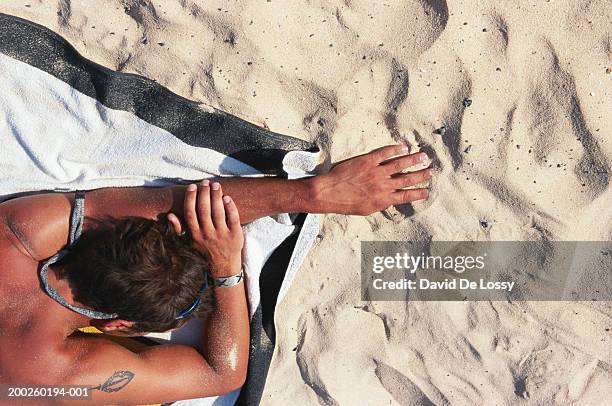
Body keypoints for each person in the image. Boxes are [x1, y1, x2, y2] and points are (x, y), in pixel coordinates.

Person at [0, 145, 431, 404]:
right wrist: (227, 271)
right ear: (117, 325)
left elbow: (165, 205)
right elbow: (219, 374)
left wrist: (311, 193)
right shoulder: (44, 374)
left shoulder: (20, 230)